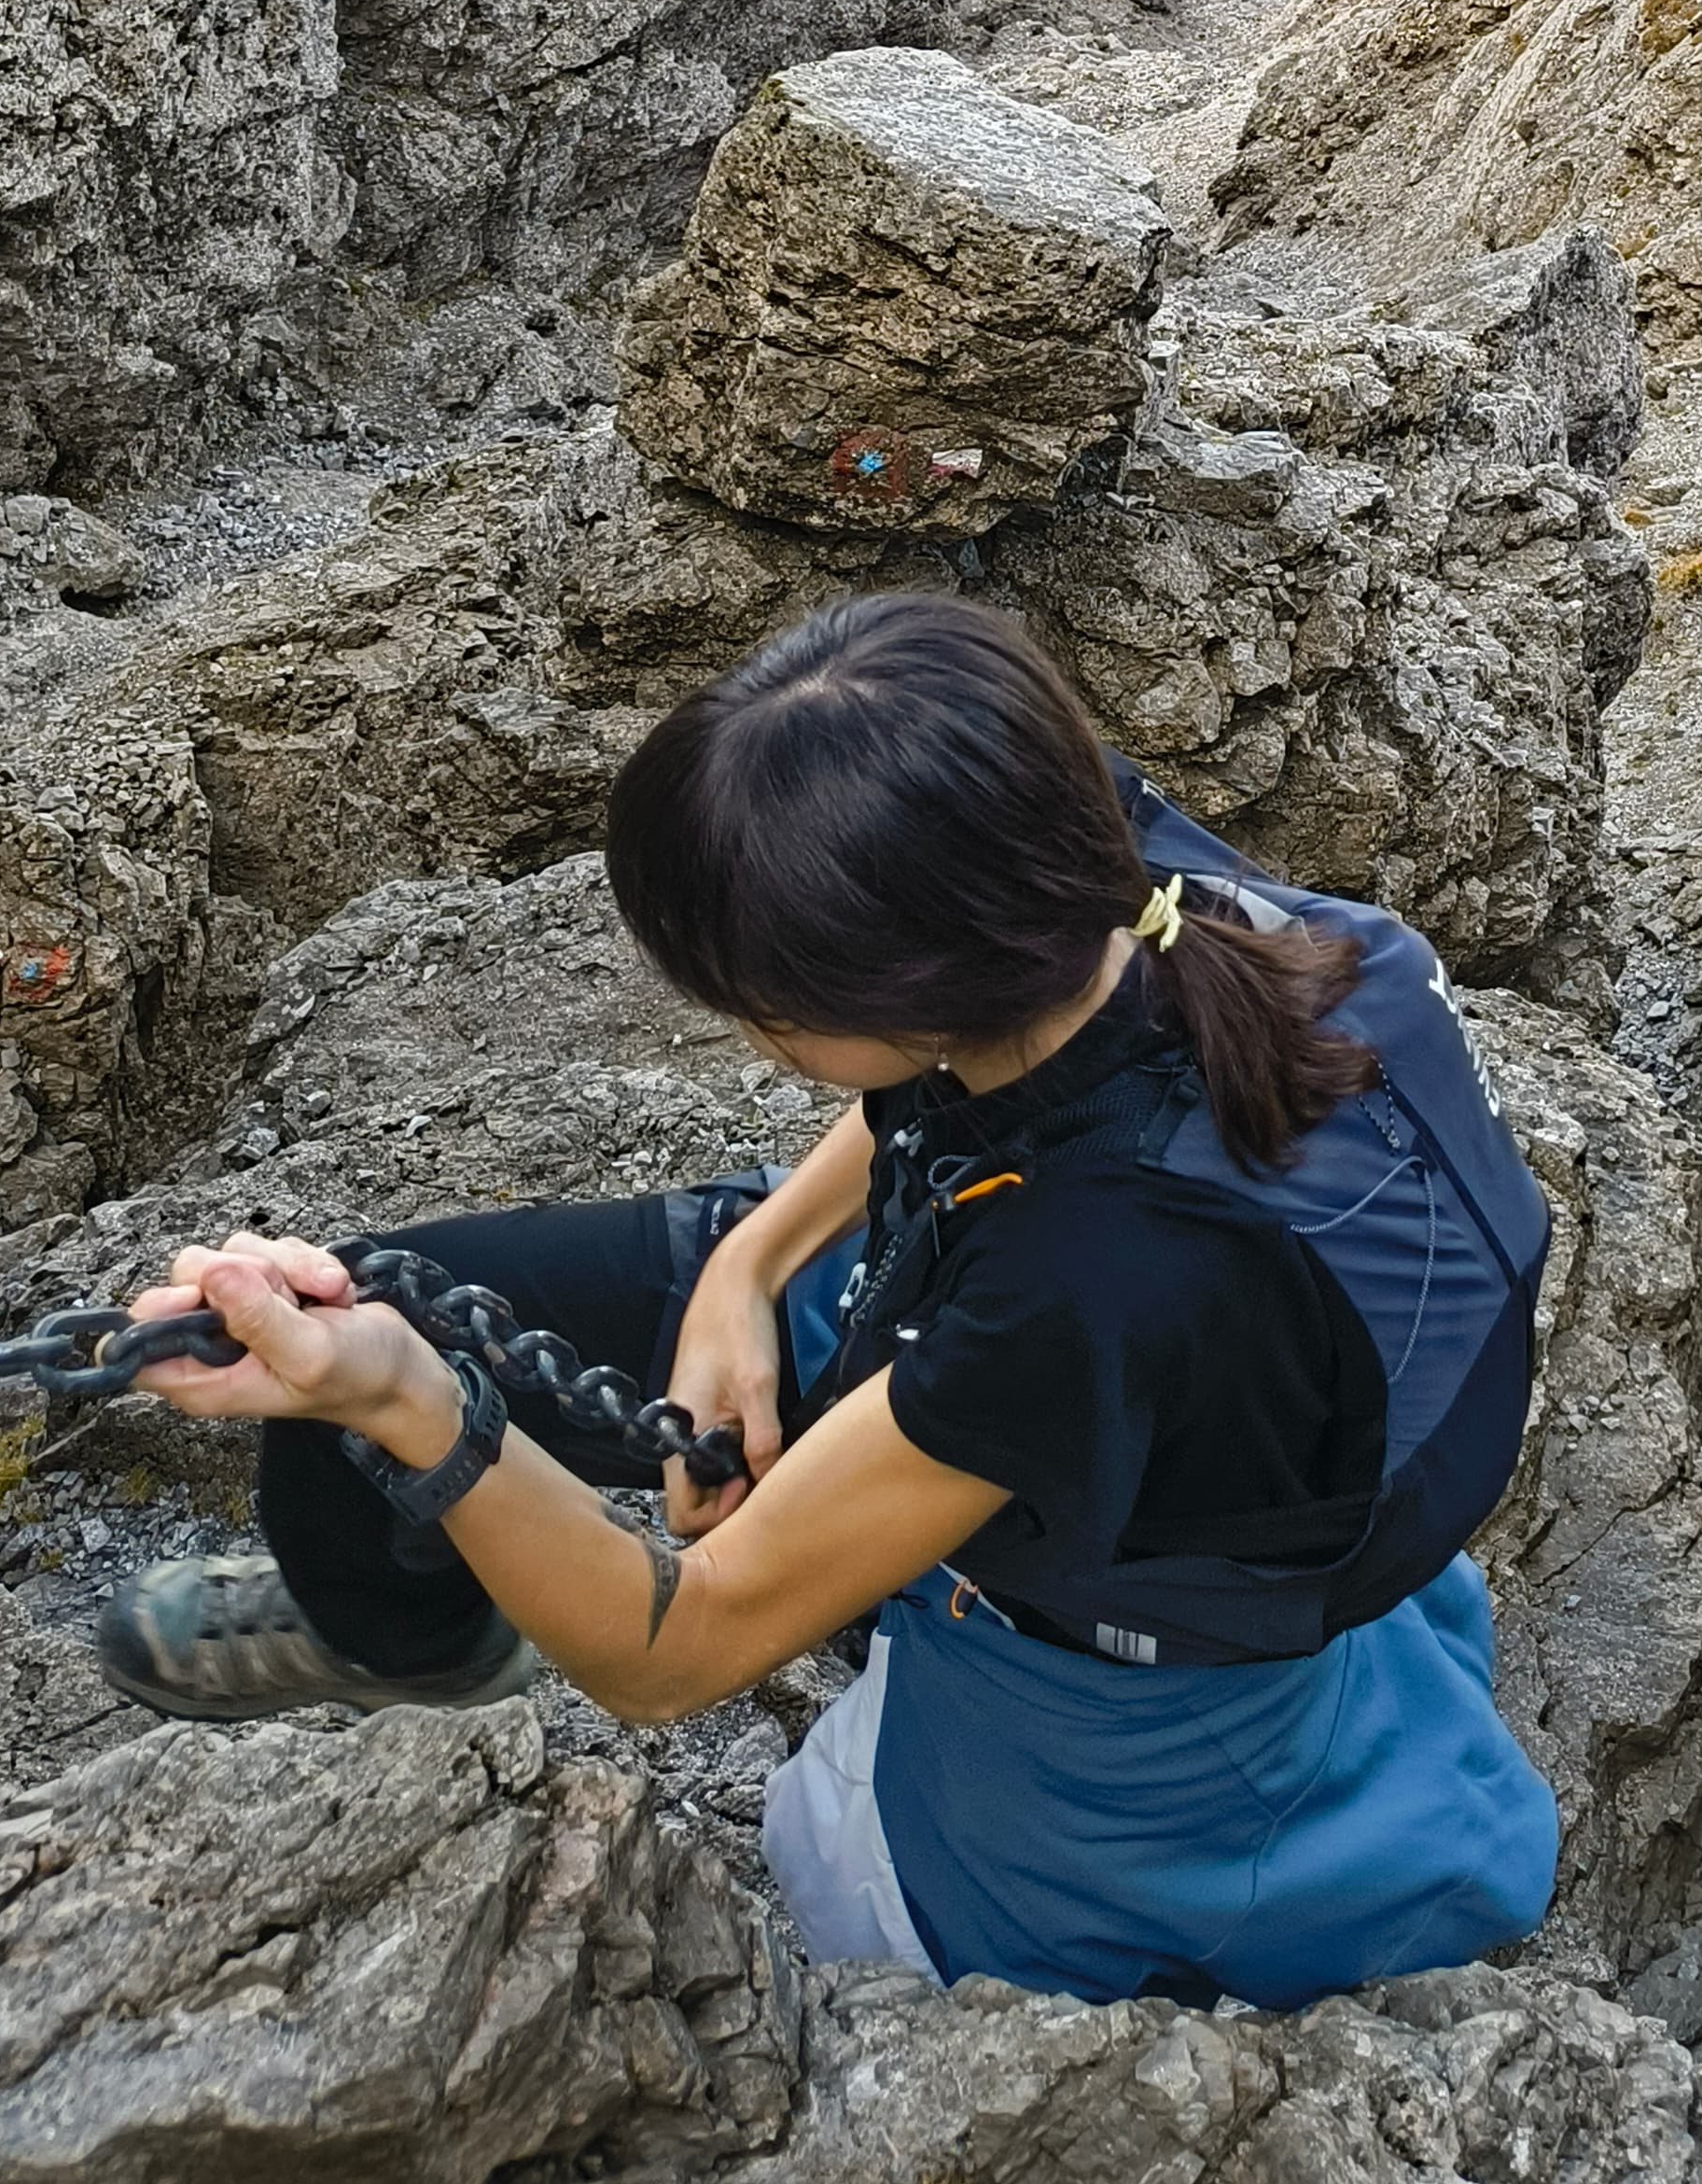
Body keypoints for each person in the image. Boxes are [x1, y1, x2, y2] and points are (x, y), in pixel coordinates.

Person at [97, 593, 1561, 2009]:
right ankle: (417, 1641)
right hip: (1045, 1309)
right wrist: (747, 1270)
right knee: (426, 1291)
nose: (745, 1028)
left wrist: (405, 1398)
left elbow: (678, 1649)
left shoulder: (1103, 1278)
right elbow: (990, 1092)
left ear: (905, 1001)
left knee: (866, 1897)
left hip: (1119, 1640)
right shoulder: (1109, 871)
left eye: (762, 1004)